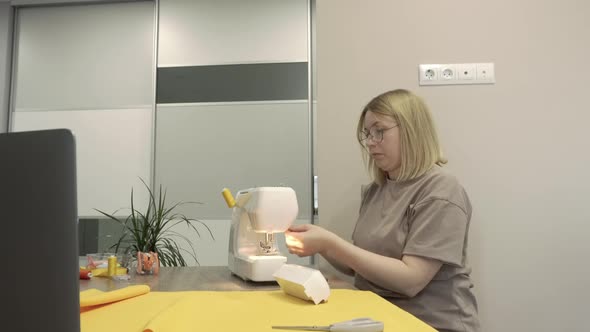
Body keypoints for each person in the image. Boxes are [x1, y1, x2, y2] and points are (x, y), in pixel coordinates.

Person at [285, 89, 480, 332]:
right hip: (376, 319)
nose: (370, 142)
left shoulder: (441, 191)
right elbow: (357, 265)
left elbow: (411, 280)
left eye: (380, 131)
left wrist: (331, 243)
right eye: (367, 133)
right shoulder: (375, 191)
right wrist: (320, 244)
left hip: (429, 324)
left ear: (412, 130)